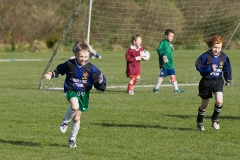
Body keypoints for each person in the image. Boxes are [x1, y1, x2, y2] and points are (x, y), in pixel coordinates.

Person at [44, 43, 106, 148]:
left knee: (77, 118)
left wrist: (100, 82)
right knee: (74, 106)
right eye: (81, 56)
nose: (83, 59)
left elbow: (101, 85)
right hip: (71, 90)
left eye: (86, 57)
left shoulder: (92, 69)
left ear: (89, 56)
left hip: (84, 94)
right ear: (76, 54)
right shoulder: (70, 64)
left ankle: (72, 138)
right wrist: (51, 74)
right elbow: (60, 69)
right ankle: (65, 121)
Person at [195, 35, 232, 131]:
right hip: (206, 82)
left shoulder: (223, 57)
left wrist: (228, 79)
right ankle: (199, 121)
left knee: (219, 101)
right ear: (211, 46)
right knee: (204, 105)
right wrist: (209, 68)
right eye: (215, 47)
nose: (216, 49)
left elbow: (227, 68)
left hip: (218, 81)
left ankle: (215, 119)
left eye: (219, 47)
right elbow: (198, 66)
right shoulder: (205, 56)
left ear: (222, 47)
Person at [153, 29, 184, 93]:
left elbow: (168, 51)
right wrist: (163, 55)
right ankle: (156, 89)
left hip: (170, 64)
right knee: (161, 77)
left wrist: (171, 48)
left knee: (173, 76)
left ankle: (176, 89)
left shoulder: (169, 43)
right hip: (164, 64)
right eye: (170, 36)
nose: (171, 38)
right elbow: (159, 49)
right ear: (166, 36)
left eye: (172, 36)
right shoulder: (163, 42)